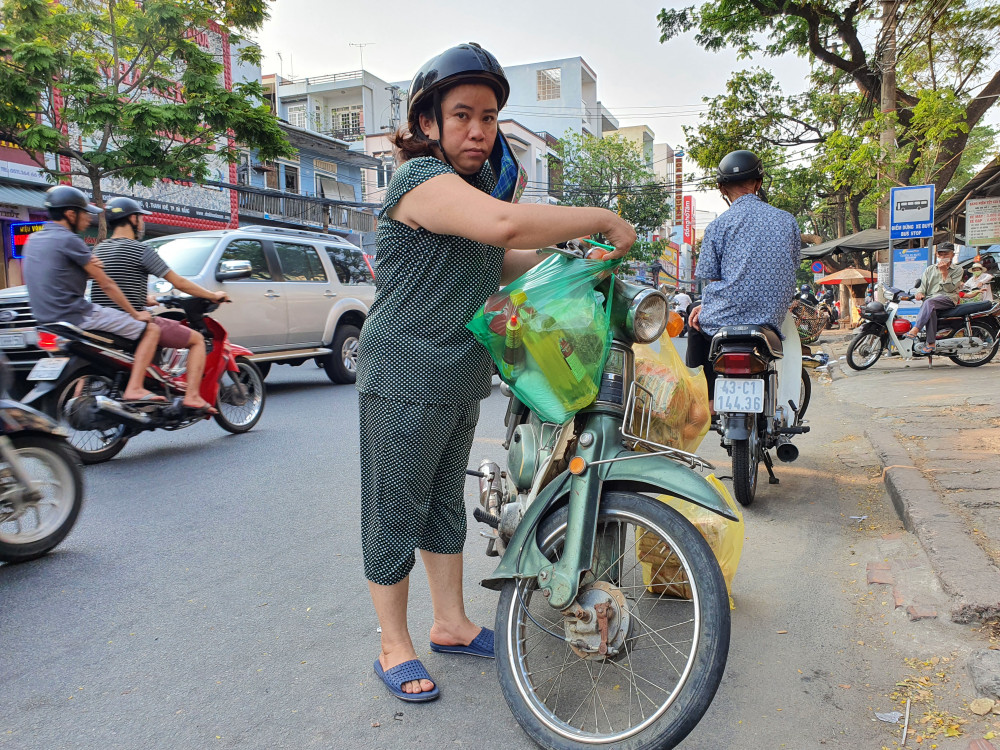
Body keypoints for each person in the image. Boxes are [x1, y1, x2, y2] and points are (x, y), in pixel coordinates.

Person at [356, 42, 635, 703]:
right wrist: (600, 216)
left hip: (457, 377)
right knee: (394, 510)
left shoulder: (472, 191)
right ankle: (394, 644)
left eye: (488, 117)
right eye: (462, 115)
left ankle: (450, 623)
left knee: (443, 508)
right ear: (428, 122)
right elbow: (505, 227)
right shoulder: (420, 182)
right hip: (402, 372)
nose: (478, 129)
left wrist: (575, 258)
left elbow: (504, 258)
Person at [22, 185, 163, 402]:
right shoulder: (70, 240)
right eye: (85, 213)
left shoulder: (33, 240)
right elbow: (107, 284)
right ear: (71, 214)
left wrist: (84, 268)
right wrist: (136, 314)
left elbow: (57, 274)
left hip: (45, 321)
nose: (89, 219)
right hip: (78, 316)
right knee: (151, 329)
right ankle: (134, 387)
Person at [92, 197, 229, 413]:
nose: (142, 223)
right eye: (140, 218)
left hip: (103, 321)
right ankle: (192, 396)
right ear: (132, 219)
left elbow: (113, 284)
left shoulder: (98, 251)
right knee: (197, 340)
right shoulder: (140, 250)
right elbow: (179, 282)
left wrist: (144, 298)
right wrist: (212, 295)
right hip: (130, 321)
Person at [685, 150, 800, 406]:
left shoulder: (718, 226)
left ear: (721, 189)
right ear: (758, 183)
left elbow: (711, 279)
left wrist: (706, 306)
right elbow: (790, 267)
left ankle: (705, 400)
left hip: (726, 317)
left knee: (694, 319)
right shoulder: (787, 221)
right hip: (771, 318)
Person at [904, 243, 963, 354]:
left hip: (948, 298)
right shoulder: (930, 269)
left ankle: (916, 329)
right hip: (931, 300)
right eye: (940, 254)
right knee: (930, 307)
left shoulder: (958, 270)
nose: (943, 256)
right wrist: (920, 292)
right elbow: (922, 286)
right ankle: (931, 343)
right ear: (936, 255)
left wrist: (944, 272)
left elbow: (950, 289)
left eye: (946, 254)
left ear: (952, 255)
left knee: (929, 302)